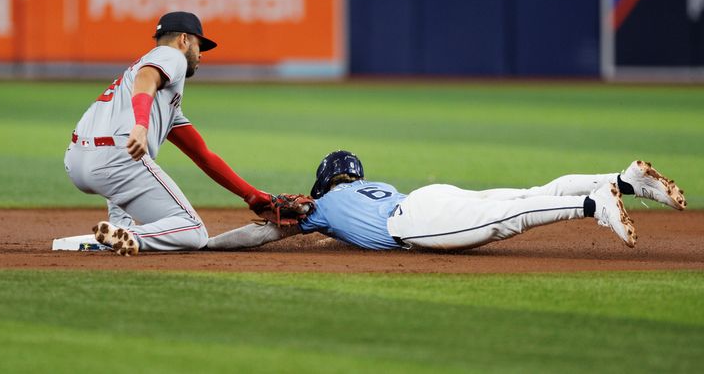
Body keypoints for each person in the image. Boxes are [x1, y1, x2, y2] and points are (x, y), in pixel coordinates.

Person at [64, 11, 272, 256]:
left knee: (130, 169)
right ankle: (131, 236)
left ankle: (120, 228)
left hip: (77, 161)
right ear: (184, 39)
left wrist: (253, 195)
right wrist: (140, 125)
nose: (201, 53)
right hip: (116, 158)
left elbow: (202, 155)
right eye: (198, 44)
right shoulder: (171, 56)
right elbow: (148, 76)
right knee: (193, 231)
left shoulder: (164, 101)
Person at [207, 151, 686, 251]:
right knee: (529, 193)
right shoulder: (369, 188)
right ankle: (622, 181)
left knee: (508, 217)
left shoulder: (320, 208)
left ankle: (597, 204)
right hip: (426, 198)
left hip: (417, 220)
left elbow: (263, 231)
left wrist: (210, 244)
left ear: (322, 182)